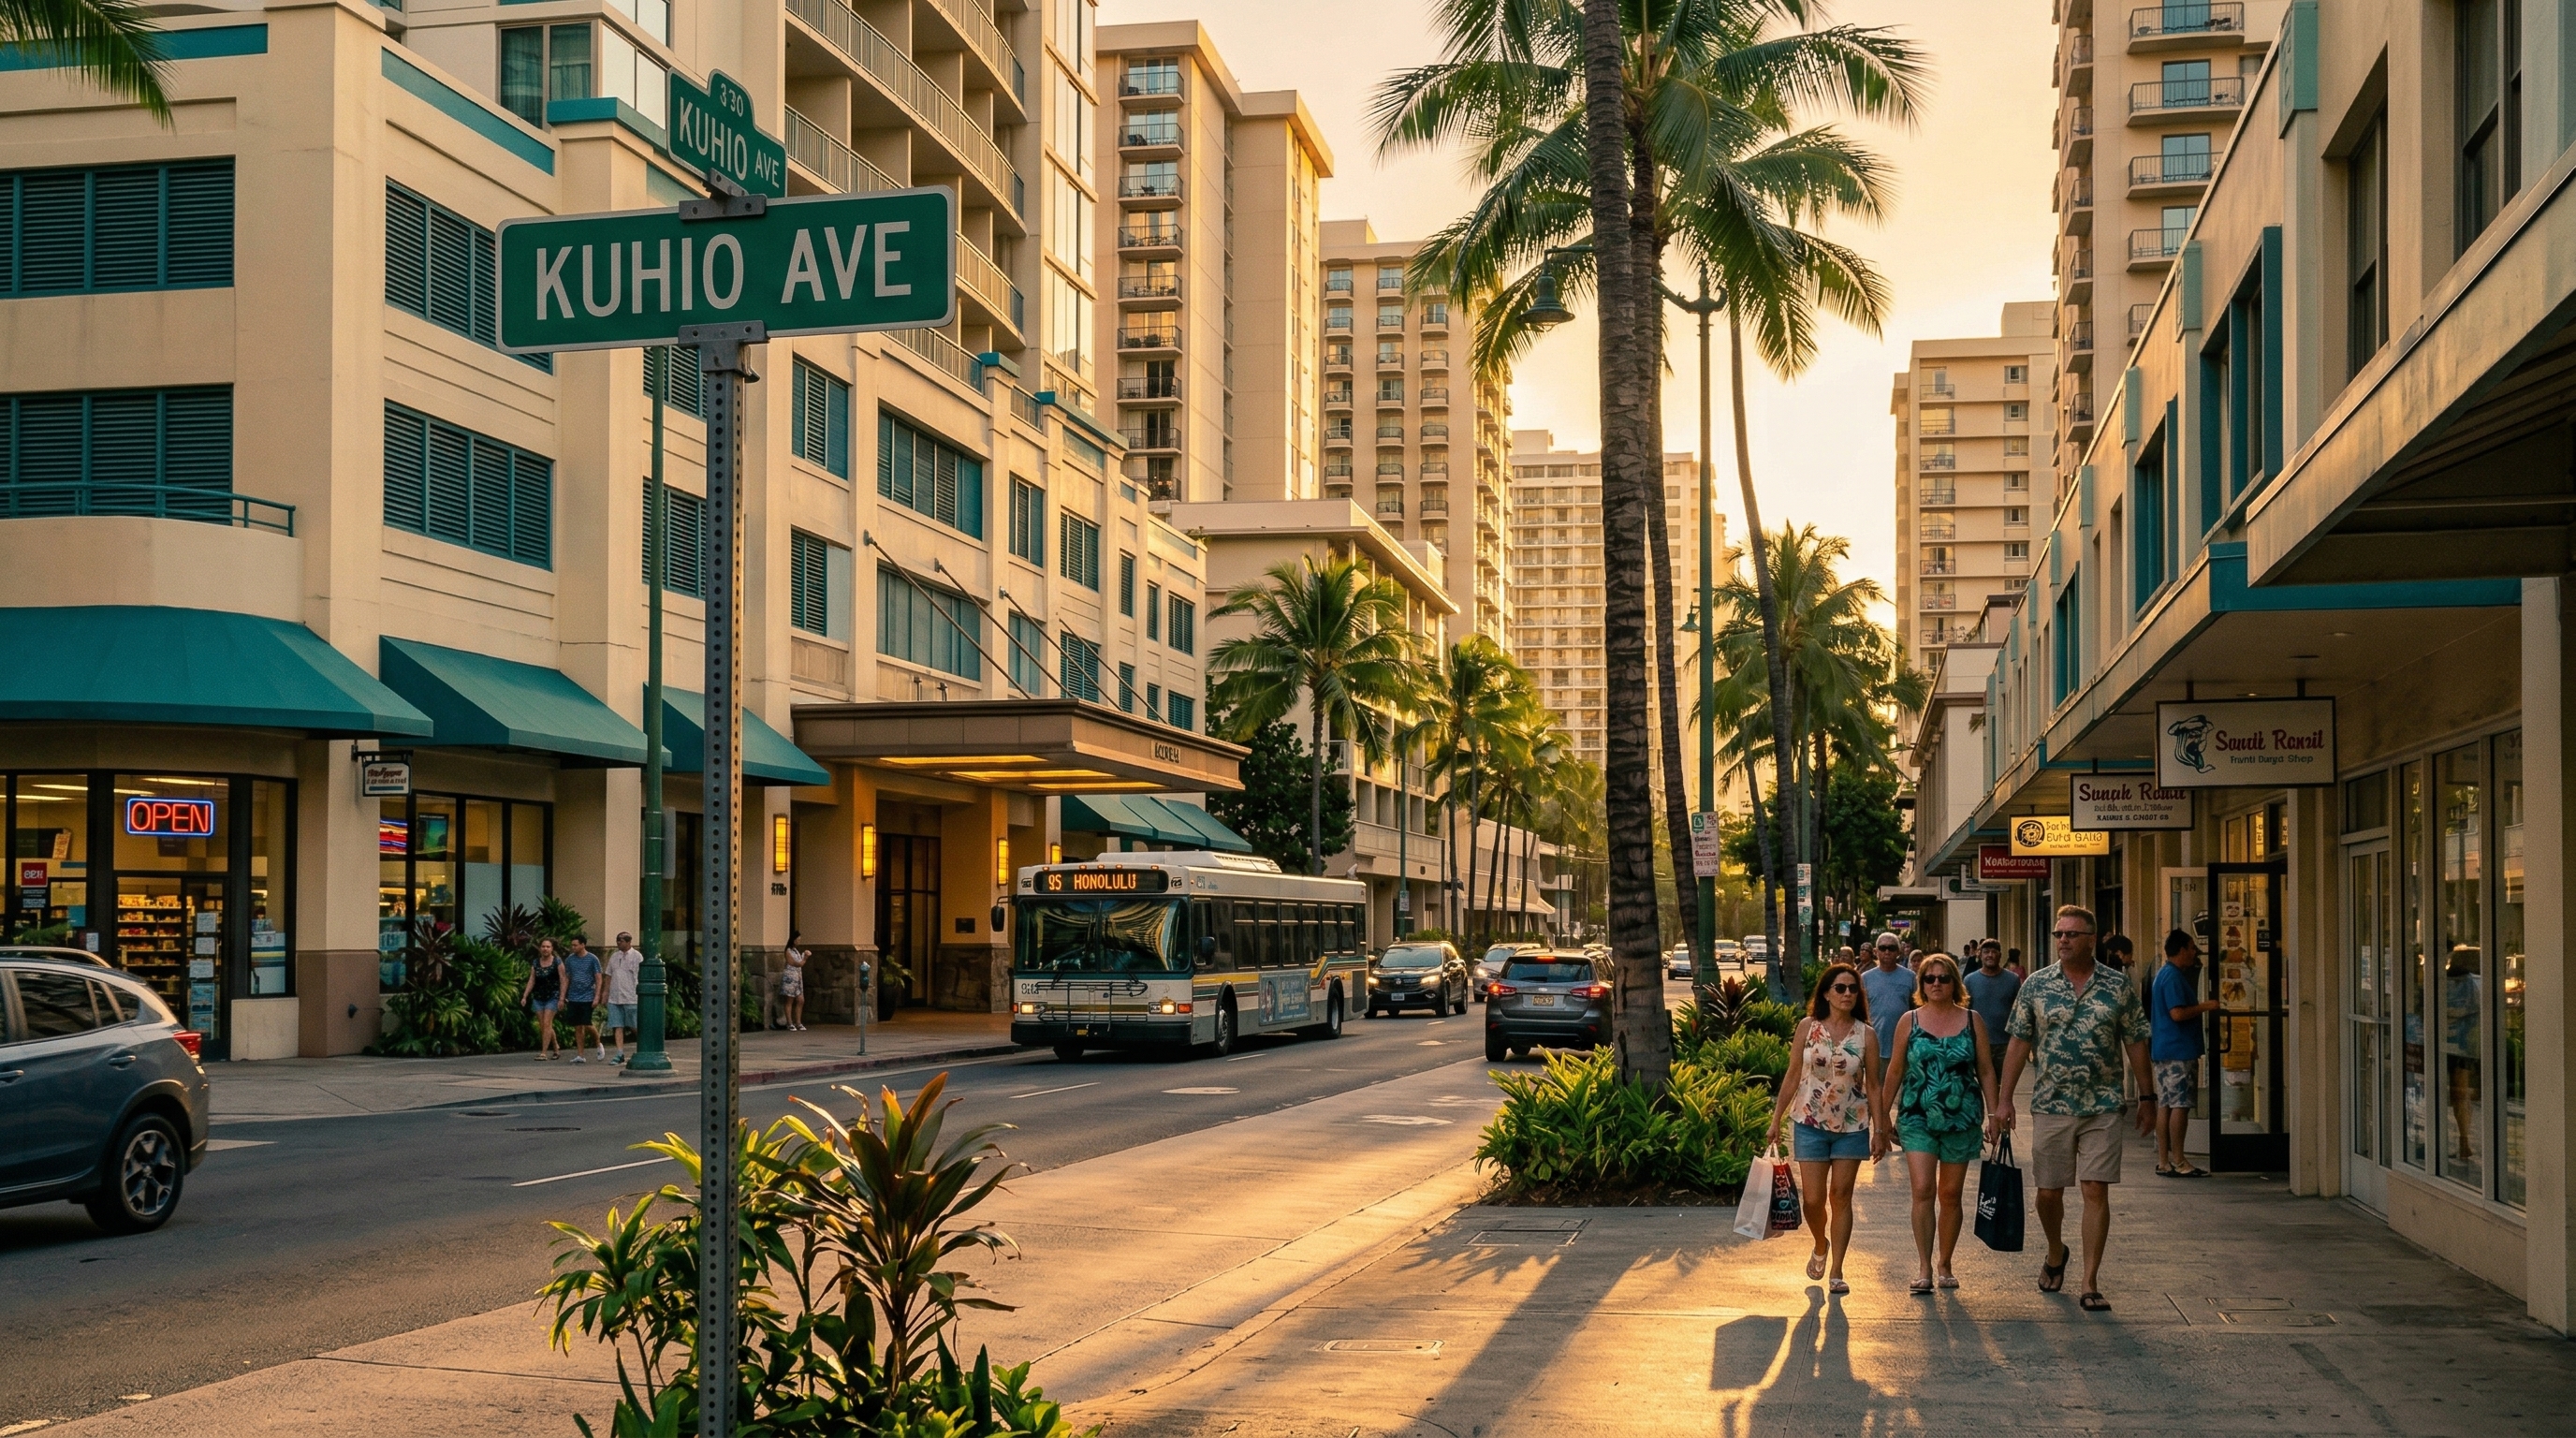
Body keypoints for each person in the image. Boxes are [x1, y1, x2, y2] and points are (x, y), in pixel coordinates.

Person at [1997, 904, 2154, 1313]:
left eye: (2071, 934)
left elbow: (2136, 1040)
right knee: (2048, 1193)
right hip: (2051, 1104)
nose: (2062, 941)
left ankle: (2089, 1281)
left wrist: (2148, 1095)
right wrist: (2003, 1100)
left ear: (2091, 939)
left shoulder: (2117, 987)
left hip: (2103, 1106)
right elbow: (2018, 1042)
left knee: (2094, 1188)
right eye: (2059, 934)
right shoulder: (2036, 985)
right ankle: (2054, 1251)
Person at [1876, 952, 2000, 1293]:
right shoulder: (1909, 1021)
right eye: (1929, 979)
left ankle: (1945, 1262)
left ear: (1954, 984)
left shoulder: (1973, 1020)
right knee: (1922, 1190)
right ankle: (1924, 1265)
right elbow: (1896, 1070)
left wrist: (1994, 1112)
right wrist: (1882, 1117)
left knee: (1950, 1194)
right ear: (1921, 985)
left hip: (1961, 1118)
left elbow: (1986, 1069)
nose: (1935, 984)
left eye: (1943, 978)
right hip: (1917, 1116)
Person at [1764, 961, 1879, 1296]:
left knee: (1841, 1197)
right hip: (1810, 1122)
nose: (1846, 994)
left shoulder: (1866, 1035)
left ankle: (1838, 1270)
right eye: (1839, 988)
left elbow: (1874, 1085)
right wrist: (1775, 1120)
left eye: (1852, 988)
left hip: (1852, 1124)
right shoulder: (1807, 1027)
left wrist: (1882, 1128)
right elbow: (1791, 1076)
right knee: (1813, 1201)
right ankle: (1819, 1242)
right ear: (1826, 993)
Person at [2150, 928, 2218, 1177]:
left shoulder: (2164, 974)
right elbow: (2177, 1013)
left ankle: (2164, 1160)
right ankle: (2178, 1160)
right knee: (2180, 1104)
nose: (2194, 953)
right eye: (2191, 948)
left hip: (2165, 1048)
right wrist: (2205, 1006)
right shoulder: (2173, 977)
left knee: (2166, 1104)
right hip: (2178, 1050)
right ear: (2181, 950)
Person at [1861, 933, 1916, 1080]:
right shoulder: (1865, 978)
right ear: (1876, 951)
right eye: (1883, 948)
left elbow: (1917, 1009)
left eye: (1891, 948)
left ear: (1898, 952)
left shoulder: (1910, 977)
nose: (1887, 952)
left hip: (1904, 1048)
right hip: (1875, 1048)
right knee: (1876, 1093)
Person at [2445, 945, 2482, 1163]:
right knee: (2461, 1094)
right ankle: (2464, 1140)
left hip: (2439, 1045)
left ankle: (2445, 1140)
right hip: (2464, 1046)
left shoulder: (2440, 983)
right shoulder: (2474, 984)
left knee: (2442, 1093)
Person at [1964, 940, 2021, 1073]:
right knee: (1982, 1084)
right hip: (1979, 1043)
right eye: (1986, 952)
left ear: (2000, 955)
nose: (1990, 955)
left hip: (2005, 1044)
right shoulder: (1969, 980)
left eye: (1994, 952)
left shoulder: (2013, 980)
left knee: (2003, 1085)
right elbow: (1964, 1012)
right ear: (1980, 955)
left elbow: (2018, 1012)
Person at [602, 931, 644, 1064]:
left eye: (621, 940)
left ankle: (643, 1047)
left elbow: (639, 975)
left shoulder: (637, 956)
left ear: (628, 942)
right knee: (617, 1025)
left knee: (634, 1024)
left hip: (631, 996)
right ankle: (619, 1053)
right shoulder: (614, 956)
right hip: (615, 996)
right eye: (617, 940)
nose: (618, 943)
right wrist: (605, 992)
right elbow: (608, 974)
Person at [561, 935, 605, 1063]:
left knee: (587, 1022)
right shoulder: (570, 960)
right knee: (577, 1025)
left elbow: (598, 977)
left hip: (588, 996)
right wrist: (563, 996)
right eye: (572, 945)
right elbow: (567, 978)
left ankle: (598, 1043)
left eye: (575, 945)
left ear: (583, 945)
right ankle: (580, 1055)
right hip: (574, 996)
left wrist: (597, 996)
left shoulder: (592, 959)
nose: (573, 947)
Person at [520, 938, 564, 1060]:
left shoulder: (557, 962)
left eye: (548, 947)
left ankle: (543, 1052)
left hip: (553, 996)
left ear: (552, 949)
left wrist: (562, 998)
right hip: (539, 997)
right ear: (540, 948)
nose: (545, 949)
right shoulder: (535, 963)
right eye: (543, 946)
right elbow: (532, 980)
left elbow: (563, 980)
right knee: (544, 1026)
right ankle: (556, 1047)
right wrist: (525, 996)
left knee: (546, 1023)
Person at [782, 932, 810, 1032]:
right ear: (793, 940)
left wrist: (804, 955)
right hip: (790, 978)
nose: (799, 942)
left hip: (797, 979)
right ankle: (789, 1023)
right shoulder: (788, 951)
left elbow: (799, 961)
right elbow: (796, 963)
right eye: (797, 940)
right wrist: (805, 959)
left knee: (801, 1000)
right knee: (789, 1000)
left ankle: (798, 1022)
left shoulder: (796, 951)